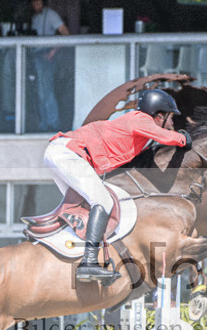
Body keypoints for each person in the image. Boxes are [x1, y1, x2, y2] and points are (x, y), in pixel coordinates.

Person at [44, 88, 190, 284]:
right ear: (158, 115)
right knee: (103, 201)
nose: (172, 123)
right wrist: (183, 138)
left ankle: (82, 257)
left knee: (86, 209)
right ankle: (88, 263)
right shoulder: (140, 119)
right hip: (69, 154)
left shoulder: (138, 130)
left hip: (62, 153)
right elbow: (164, 137)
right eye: (171, 118)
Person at [31, 0, 71, 132]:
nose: (36, 5)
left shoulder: (51, 15)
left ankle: (53, 123)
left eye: (38, 2)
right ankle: (44, 122)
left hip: (47, 56)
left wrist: (53, 51)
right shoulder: (34, 17)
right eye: (34, 3)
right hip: (36, 56)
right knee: (40, 91)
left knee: (46, 91)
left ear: (43, 2)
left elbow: (65, 33)